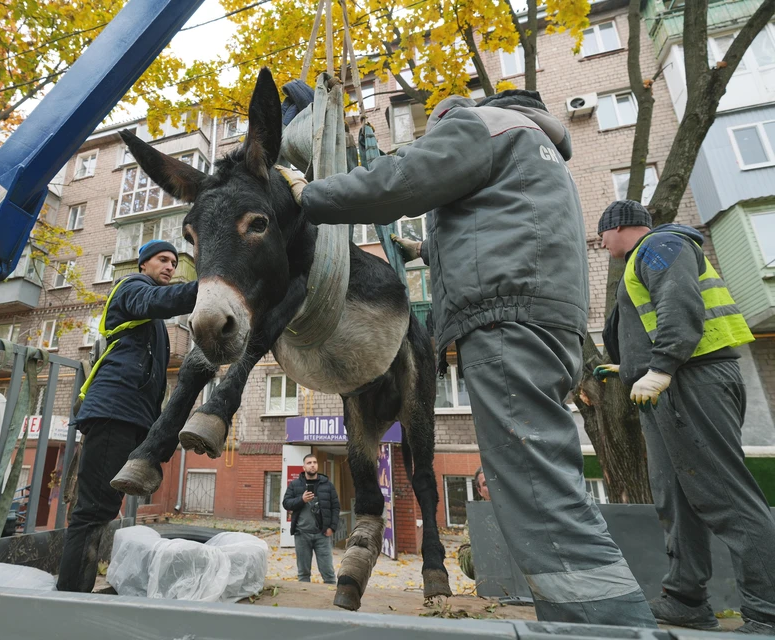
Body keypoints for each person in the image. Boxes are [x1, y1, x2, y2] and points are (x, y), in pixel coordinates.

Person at [279, 90, 656, 627]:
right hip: (548, 316)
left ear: (446, 119)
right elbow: (497, 221)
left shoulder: (478, 125)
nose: (434, 139)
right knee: (539, 471)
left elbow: (398, 183)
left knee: (531, 480)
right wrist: (424, 250)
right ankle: (586, 613)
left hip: (508, 317)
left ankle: (605, 623)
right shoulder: (536, 147)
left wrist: (308, 194)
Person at [594, 200, 775, 635]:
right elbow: (659, 317)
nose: (599, 244)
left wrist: (661, 367)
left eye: (601, 234)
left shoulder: (661, 245)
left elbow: (679, 305)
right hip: (678, 381)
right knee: (677, 497)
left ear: (620, 227)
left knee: (725, 496)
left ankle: (767, 611)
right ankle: (685, 599)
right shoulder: (648, 255)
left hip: (692, 380)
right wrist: (634, 366)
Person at [57, 240, 197, 593]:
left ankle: (77, 589)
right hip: (113, 411)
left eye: (174, 262)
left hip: (129, 415)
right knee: (92, 510)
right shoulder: (133, 288)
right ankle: (70, 594)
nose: (169, 266)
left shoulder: (153, 327)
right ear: (142, 264)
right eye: (162, 260)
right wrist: (209, 286)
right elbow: (156, 302)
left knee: (102, 509)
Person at [282, 454, 340, 584]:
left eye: (314, 462)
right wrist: (301, 500)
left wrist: (332, 527)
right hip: (302, 534)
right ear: (304, 467)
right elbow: (286, 503)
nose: (312, 465)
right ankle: (304, 601)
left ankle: (330, 601)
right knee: (303, 573)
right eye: (309, 463)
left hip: (322, 535)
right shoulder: (295, 484)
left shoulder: (327, 485)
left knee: (328, 573)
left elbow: (336, 508)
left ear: (317, 466)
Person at [457, 467, 490, 581]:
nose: (491, 486)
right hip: (492, 584)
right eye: (486, 483)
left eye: (494, 481)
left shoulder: (518, 510)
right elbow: (464, 558)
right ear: (479, 491)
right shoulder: (476, 517)